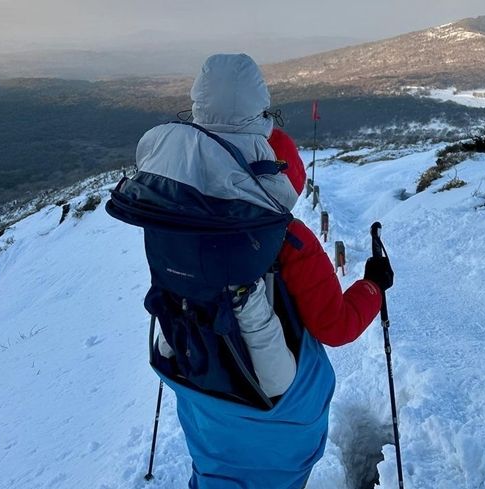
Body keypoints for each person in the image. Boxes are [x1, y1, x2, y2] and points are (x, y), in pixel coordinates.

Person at [128, 54, 393, 488]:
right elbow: (336, 326)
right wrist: (373, 286)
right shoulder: (286, 238)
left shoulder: (169, 212)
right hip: (275, 405)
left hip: (196, 382)